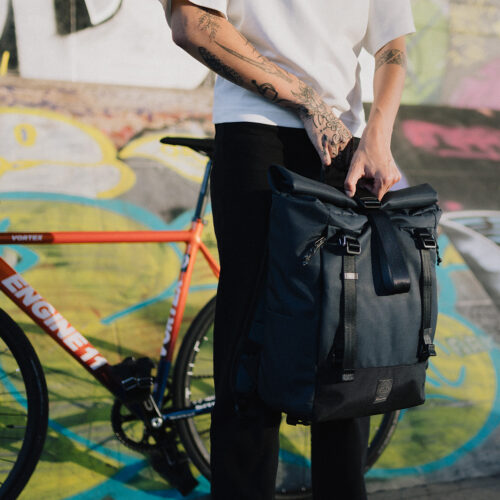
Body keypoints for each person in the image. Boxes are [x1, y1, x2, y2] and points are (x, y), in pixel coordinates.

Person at [160, 1, 415, 498]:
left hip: (347, 144)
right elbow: (191, 24)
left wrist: (378, 136)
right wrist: (308, 101)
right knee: (250, 355)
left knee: (345, 352)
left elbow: (392, 44)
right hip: (257, 132)